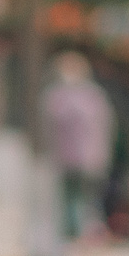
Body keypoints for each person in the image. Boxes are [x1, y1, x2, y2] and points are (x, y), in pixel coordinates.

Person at [42, 53, 117, 243]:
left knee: (87, 199)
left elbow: (103, 127)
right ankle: (75, 236)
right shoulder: (58, 96)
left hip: (87, 158)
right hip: (68, 158)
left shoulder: (90, 97)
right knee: (71, 199)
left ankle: (85, 235)